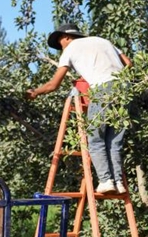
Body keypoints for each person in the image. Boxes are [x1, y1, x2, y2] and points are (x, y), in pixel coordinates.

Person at [26, 22, 132, 194]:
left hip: (103, 88)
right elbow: (129, 63)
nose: (60, 48)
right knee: (114, 141)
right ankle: (118, 182)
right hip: (125, 90)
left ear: (66, 37)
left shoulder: (70, 49)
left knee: (95, 138)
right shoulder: (103, 41)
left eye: (60, 42)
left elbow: (53, 85)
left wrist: (35, 92)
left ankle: (106, 180)